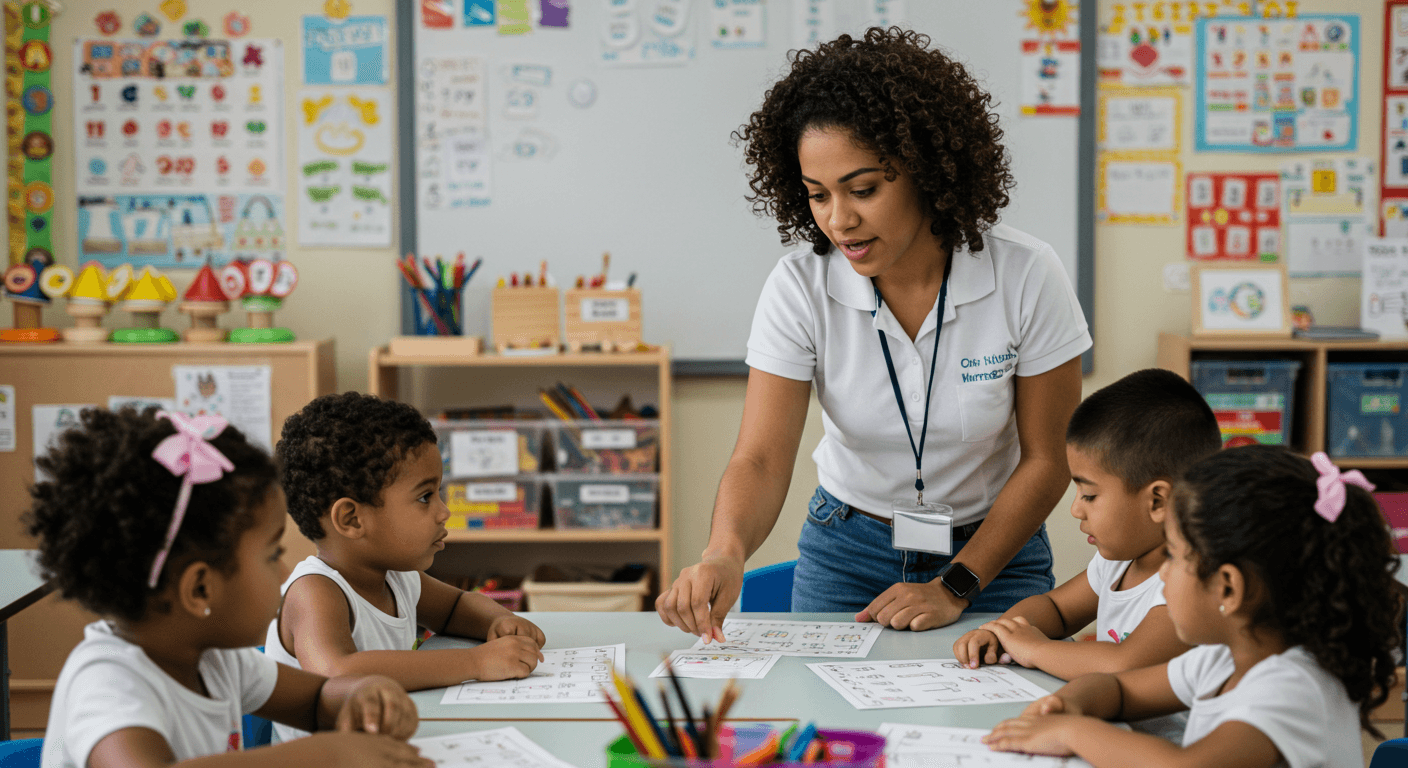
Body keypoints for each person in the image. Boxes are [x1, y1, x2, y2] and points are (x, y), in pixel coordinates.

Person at [656, 26, 1091, 638]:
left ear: (927, 171)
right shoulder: (799, 286)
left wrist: (955, 585)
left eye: (863, 189)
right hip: (847, 549)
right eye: (817, 195)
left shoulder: (1025, 273)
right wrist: (724, 551)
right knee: (834, 727)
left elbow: (1047, 461)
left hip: (996, 554)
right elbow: (759, 457)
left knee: (1002, 721)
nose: (840, 219)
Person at [26, 407, 428, 768]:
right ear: (200, 589)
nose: (286, 570)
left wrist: (365, 694)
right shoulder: (108, 684)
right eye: (272, 556)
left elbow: (316, 699)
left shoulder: (214, 659)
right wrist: (323, 756)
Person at [984, 446, 1403, 767]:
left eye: (1176, 557)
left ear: (1228, 588)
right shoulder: (1222, 660)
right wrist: (1069, 704)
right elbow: (1119, 689)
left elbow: (1186, 766)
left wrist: (1073, 731)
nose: (1162, 575)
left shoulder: (1295, 688)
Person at [955, 369, 1220, 740]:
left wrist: (1033, 649)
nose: (1076, 510)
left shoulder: (1190, 583)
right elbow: (1057, 610)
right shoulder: (1118, 561)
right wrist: (1002, 631)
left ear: (1157, 500)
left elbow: (1123, 664)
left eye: (1090, 495)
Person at [268, 393, 545, 741]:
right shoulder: (314, 591)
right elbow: (337, 673)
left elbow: (455, 607)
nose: (444, 512)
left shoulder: (396, 576)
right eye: (425, 497)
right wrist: (475, 663)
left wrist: (498, 620)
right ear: (352, 519)